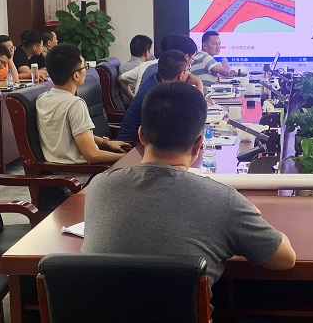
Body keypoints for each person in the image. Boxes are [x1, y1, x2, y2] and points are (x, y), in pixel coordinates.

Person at [83, 82, 296, 296]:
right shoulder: (223, 200)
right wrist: (246, 215)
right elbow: (285, 259)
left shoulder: (98, 186)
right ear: (198, 143)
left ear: (141, 136)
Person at [36, 44, 129, 169]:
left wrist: (105, 142)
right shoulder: (75, 104)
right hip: (80, 173)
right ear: (76, 76)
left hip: (57, 170)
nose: (86, 70)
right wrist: (128, 157)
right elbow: (92, 156)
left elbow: (72, 135)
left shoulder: (42, 98)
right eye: (85, 67)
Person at [117, 49, 196, 141]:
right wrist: (198, 84)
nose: (188, 73)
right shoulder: (158, 94)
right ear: (181, 75)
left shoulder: (156, 78)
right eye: (187, 69)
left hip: (144, 140)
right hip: (131, 145)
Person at [118, 34, 201, 99]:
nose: (190, 64)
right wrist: (198, 83)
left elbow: (121, 78)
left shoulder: (148, 65)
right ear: (185, 57)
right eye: (192, 59)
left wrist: (134, 99)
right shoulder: (164, 73)